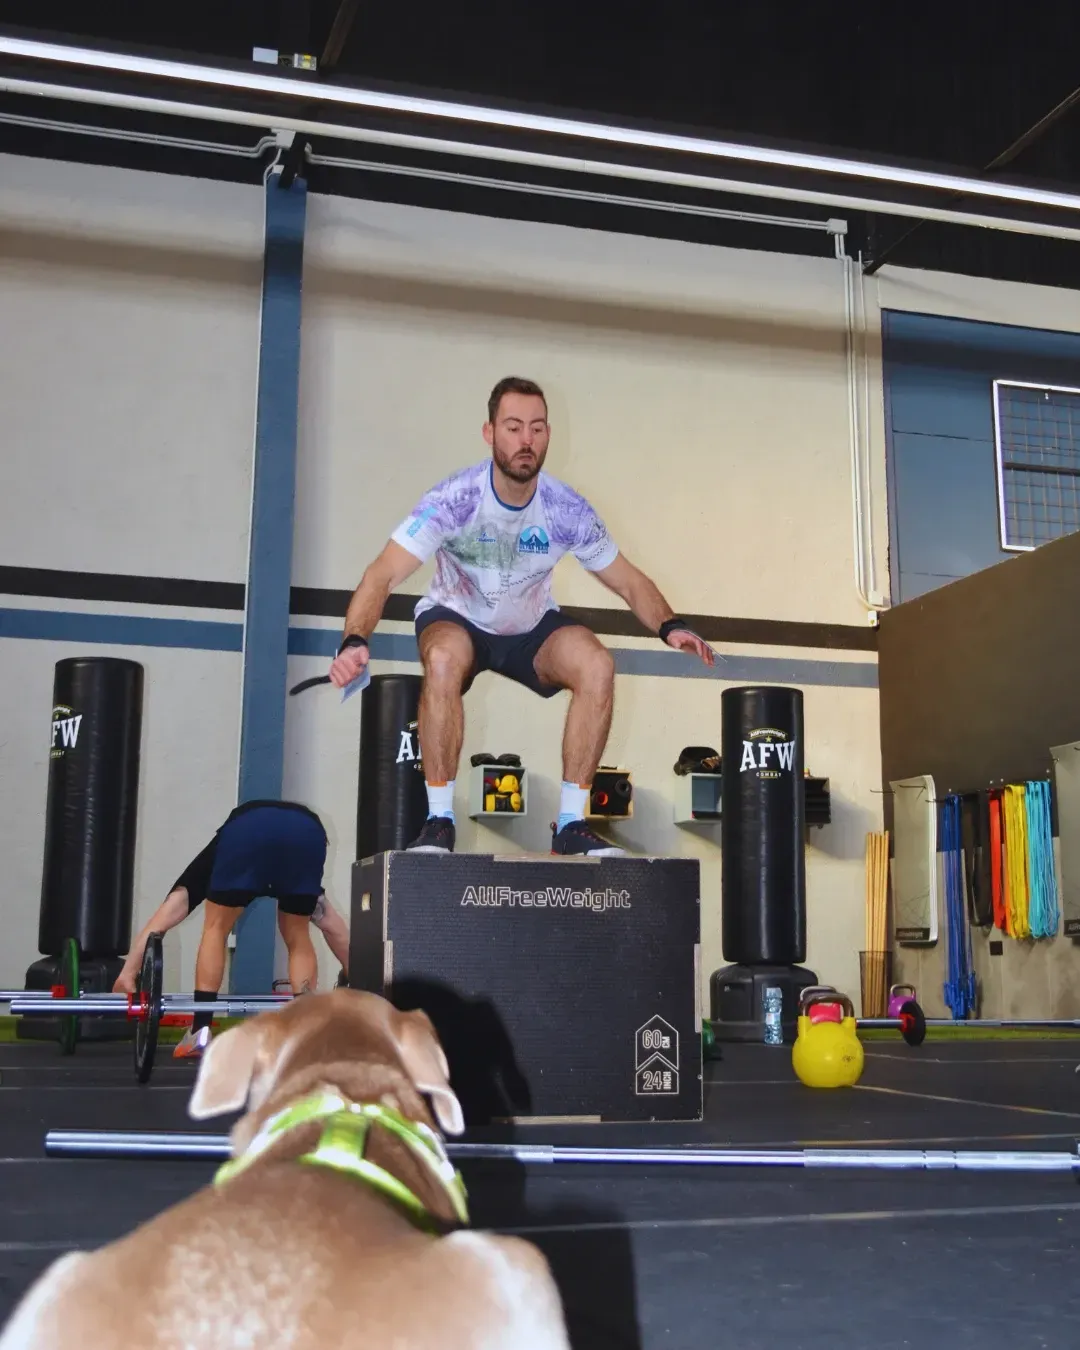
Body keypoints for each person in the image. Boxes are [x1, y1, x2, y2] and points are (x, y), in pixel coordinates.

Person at [328, 375, 715, 856]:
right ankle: (439, 822)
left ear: (548, 435)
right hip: (458, 617)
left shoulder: (565, 508)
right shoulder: (455, 499)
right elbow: (382, 573)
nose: (525, 440)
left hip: (530, 627)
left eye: (536, 428)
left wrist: (671, 626)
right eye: (513, 427)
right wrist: (354, 639)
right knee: (444, 660)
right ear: (490, 433)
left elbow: (629, 580)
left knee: (597, 665)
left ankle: (571, 826)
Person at [113, 800, 350, 1058]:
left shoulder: (214, 857)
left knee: (216, 928)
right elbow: (331, 924)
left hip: (248, 830)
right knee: (297, 934)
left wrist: (129, 972)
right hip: (307, 832)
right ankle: (306, 1034)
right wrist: (359, 977)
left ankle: (200, 1032)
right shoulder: (294, 841)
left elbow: (168, 913)